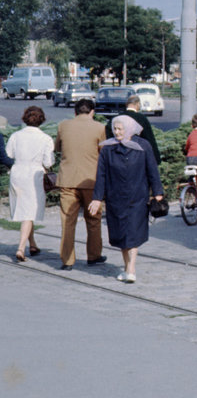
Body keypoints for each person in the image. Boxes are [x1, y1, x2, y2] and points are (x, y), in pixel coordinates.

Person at [88, 114, 163, 284]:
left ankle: (131, 268)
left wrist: (157, 192)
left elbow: (152, 170)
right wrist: (97, 198)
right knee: (121, 232)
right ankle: (126, 265)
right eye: (115, 128)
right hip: (116, 197)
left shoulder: (143, 146)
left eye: (120, 129)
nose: (117, 132)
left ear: (129, 129)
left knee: (134, 231)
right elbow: (101, 175)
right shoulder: (108, 149)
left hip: (138, 196)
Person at [55, 97, 108, 270]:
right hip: (91, 180)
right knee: (93, 219)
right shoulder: (100, 128)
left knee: (68, 220)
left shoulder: (63, 126)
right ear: (92, 112)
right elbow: (104, 152)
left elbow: (57, 148)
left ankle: (67, 260)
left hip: (68, 180)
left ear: (75, 112)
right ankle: (93, 255)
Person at [6, 105, 55, 263]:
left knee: (26, 210)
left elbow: (9, 154)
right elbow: (48, 162)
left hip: (17, 172)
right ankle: (21, 248)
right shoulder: (46, 139)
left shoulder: (15, 136)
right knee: (29, 211)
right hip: (34, 175)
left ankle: (33, 244)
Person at [105, 93, 161, 164]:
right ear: (137, 104)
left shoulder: (115, 118)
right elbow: (149, 139)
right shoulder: (141, 118)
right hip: (137, 157)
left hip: (118, 156)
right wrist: (156, 159)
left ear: (126, 104)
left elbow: (108, 137)